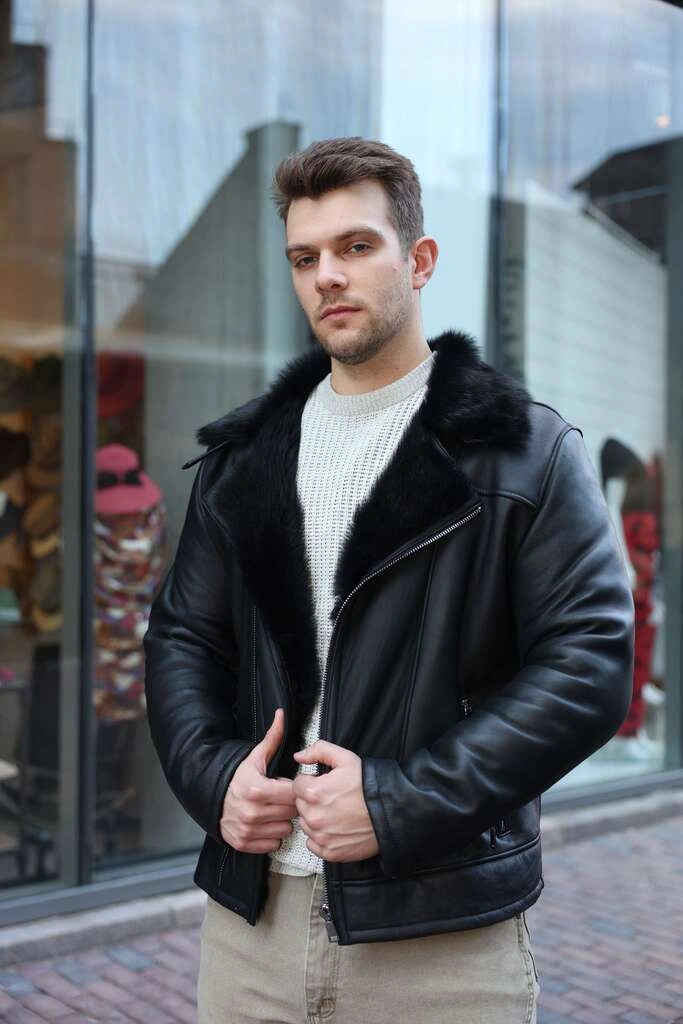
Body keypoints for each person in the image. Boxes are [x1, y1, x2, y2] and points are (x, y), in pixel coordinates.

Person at [143, 137, 634, 1024]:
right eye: (305, 257)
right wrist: (213, 779)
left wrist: (397, 803)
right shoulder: (244, 457)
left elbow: (589, 663)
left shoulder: (523, 450)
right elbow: (184, 636)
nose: (327, 274)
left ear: (419, 259)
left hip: (438, 935)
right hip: (250, 932)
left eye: (356, 247)